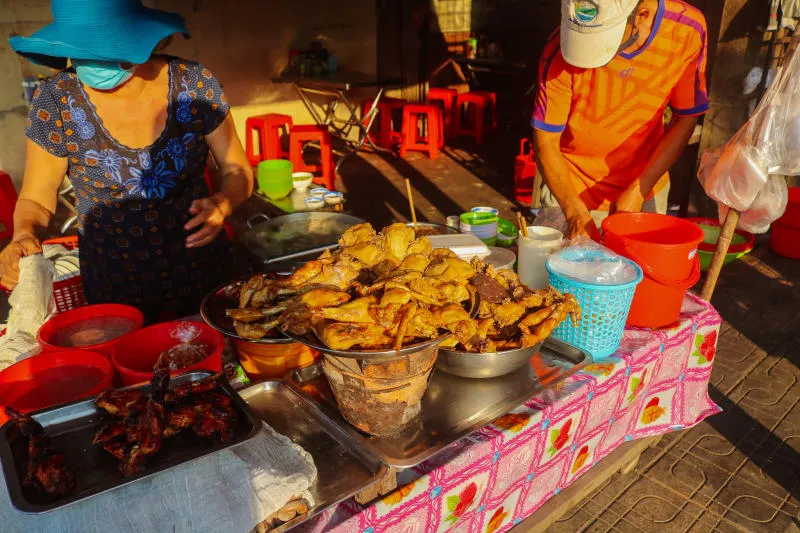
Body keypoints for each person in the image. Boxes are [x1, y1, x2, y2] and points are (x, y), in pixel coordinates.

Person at [0, 0, 253, 322]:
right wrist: (23, 234)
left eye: (103, 51)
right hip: (113, 282)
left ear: (140, 40)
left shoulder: (194, 83)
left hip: (201, 270)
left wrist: (224, 201)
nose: (91, 62)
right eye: (79, 51)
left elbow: (236, 170)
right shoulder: (56, 97)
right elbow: (36, 197)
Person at [532, 0, 708, 238]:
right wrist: (574, 212)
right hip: (568, 192)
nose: (588, 54)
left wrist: (640, 188)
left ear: (642, 14)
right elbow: (546, 143)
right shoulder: (560, 48)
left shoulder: (687, 30)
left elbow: (685, 119)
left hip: (645, 185)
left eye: (602, 37)